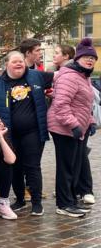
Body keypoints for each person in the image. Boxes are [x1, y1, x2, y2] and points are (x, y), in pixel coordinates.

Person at [0, 51, 53, 216]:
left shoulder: (36, 76)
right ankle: (19, 199)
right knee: (15, 166)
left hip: (33, 131)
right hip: (9, 133)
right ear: (6, 64)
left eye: (21, 62)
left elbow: (61, 76)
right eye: (15, 62)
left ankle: (37, 203)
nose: (19, 64)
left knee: (32, 166)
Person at [48, 38, 97, 217]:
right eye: (87, 58)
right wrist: (74, 125)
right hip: (64, 128)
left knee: (75, 166)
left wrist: (90, 121)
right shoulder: (69, 76)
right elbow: (61, 105)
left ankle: (72, 201)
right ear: (77, 59)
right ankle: (63, 204)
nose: (90, 61)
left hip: (78, 129)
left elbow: (85, 104)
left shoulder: (84, 76)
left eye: (93, 58)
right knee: (66, 167)